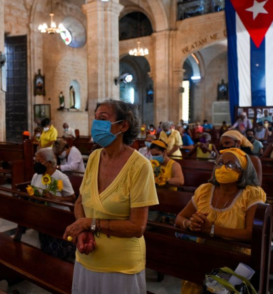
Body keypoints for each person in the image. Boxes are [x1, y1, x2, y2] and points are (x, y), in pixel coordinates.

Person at [63, 99, 159, 294]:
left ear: (124, 125)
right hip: (86, 256)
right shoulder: (94, 157)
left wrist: (90, 224)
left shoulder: (140, 166)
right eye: (96, 119)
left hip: (120, 266)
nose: (96, 124)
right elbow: (80, 202)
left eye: (103, 119)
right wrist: (83, 231)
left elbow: (137, 227)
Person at [175, 148, 266, 294]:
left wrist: (211, 229)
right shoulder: (205, 190)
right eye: (219, 163)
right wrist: (190, 224)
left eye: (230, 165)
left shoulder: (251, 194)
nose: (223, 168)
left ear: (243, 171)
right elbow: (180, 218)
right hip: (203, 255)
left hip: (235, 262)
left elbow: (250, 233)